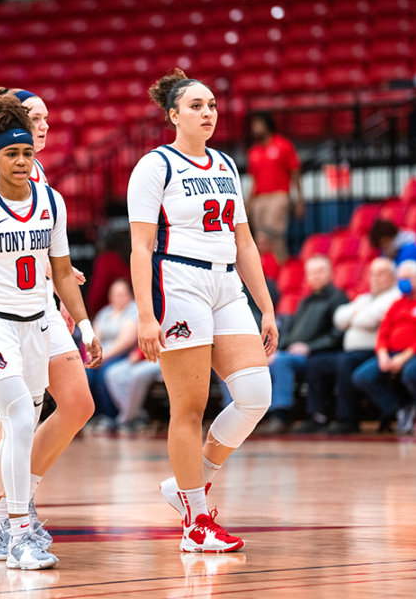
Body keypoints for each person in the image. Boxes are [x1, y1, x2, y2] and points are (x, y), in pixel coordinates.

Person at [0, 91, 101, 570]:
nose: (42, 127)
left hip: (40, 314)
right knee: (16, 416)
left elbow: (49, 260)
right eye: (33, 118)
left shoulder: (45, 190)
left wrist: (67, 289)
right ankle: (16, 519)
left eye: (46, 122)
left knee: (71, 405)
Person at [128, 69, 278, 553]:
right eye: (195, 105)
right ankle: (195, 522)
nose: (207, 112)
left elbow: (246, 241)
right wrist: (146, 316)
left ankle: (190, 483)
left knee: (256, 394)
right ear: (173, 115)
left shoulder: (227, 165)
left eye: (211, 104)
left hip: (226, 281)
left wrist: (266, 307)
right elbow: (140, 247)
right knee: (188, 408)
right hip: (178, 281)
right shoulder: (155, 166)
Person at [306, 257, 400, 434]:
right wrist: (356, 315)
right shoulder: (365, 298)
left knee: (345, 362)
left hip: (375, 351)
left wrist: (353, 316)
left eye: (380, 274)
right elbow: (338, 318)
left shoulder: (394, 295)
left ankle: (348, 419)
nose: (375, 278)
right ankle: (318, 417)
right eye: (372, 273)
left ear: (392, 276)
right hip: (352, 352)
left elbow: (369, 319)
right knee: (316, 362)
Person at [259, 255, 348, 433]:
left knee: (282, 363)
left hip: (316, 354)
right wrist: (277, 349)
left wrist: (309, 347)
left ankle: (281, 416)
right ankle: (257, 416)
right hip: (293, 353)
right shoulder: (305, 301)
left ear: (331, 273)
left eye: (320, 271)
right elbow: (290, 332)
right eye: (311, 273)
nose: (315, 276)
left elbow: (337, 334)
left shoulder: (338, 298)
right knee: (264, 361)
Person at [352, 260, 416, 434]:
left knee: (411, 373)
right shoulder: (397, 304)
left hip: (412, 353)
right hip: (391, 353)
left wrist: (405, 356)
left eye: (408, 278)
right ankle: (400, 409)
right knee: (362, 376)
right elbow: (383, 332)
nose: (403, 282)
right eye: (400, 278)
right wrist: (382, 354)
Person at [246, 111, 303, 263]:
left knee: (273, 235)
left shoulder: (283, 145)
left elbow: (295, 173)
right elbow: (254, 180)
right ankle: (267, 271)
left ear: (267, 124)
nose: (255, 128)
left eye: (258, 124)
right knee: (260, 239)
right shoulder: (254, 151)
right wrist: (249, 203)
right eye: (253, 125)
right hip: (259, 199)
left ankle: (281, 269)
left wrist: (299, 200)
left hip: (279, 196)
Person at [86, 279, 138, 431]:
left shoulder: (133, 310)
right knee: (87, 372)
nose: (118, 298)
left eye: (122, 294)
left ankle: (109, 416)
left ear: (129, 295)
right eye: (115, 294)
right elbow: (95, 336)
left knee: (105, 372)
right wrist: (94, 353)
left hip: (122, 354)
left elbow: (126, 340)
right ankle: (91, 416)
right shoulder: (105, 312)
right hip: (101, 354)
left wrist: (104, 356)